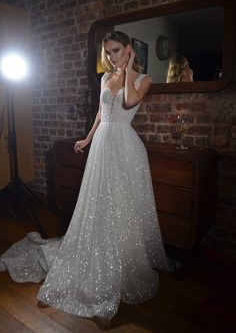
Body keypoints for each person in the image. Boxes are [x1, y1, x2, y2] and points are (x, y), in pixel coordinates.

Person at [0, 31, 171, 326]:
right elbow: (101, 113)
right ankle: (97, 254)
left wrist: (128, 70)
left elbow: (129, 101)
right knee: (99, 202)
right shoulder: (105, 79)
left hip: (126, 147)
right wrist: (88, 138)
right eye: (109, 53)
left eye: (117, 51)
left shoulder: (144, 80)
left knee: (123, 205)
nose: (111, 57)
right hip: (104, 143)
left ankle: (123, 260)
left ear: (129, 50)